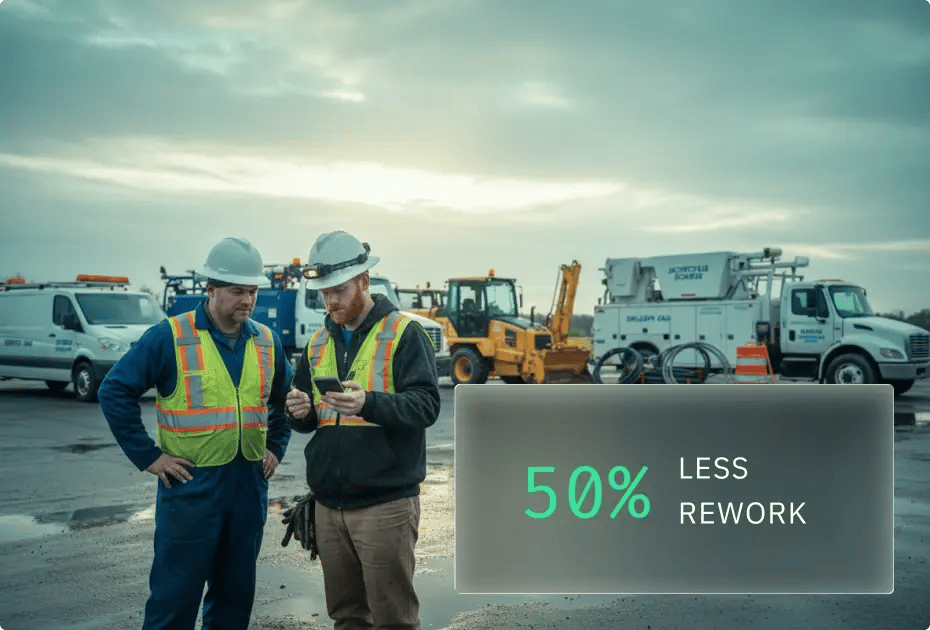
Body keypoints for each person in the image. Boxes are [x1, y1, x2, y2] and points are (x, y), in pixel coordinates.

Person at [98, 237, 292, 630]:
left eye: (252, 291)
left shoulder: (267, 342)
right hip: (190, 489)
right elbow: (114, 389)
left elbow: (286, 400)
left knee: (234, 602)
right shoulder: (169, 336)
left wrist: (275, 445)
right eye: (237, 291)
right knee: (174, 601)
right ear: (210, 289)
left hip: (248, 488)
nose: (247, 300)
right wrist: (149, 456)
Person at [285, 231, 440, 630]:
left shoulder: (405, 335)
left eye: (338, 290)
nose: (331, 301)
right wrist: (300, 412)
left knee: (393, 620)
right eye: (324, 293)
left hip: (384, 505)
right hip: (328, 504)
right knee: (347, 617)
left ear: (365, 282)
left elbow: (426, 406)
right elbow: (310, 421)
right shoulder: (318, 344)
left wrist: (368, 402)